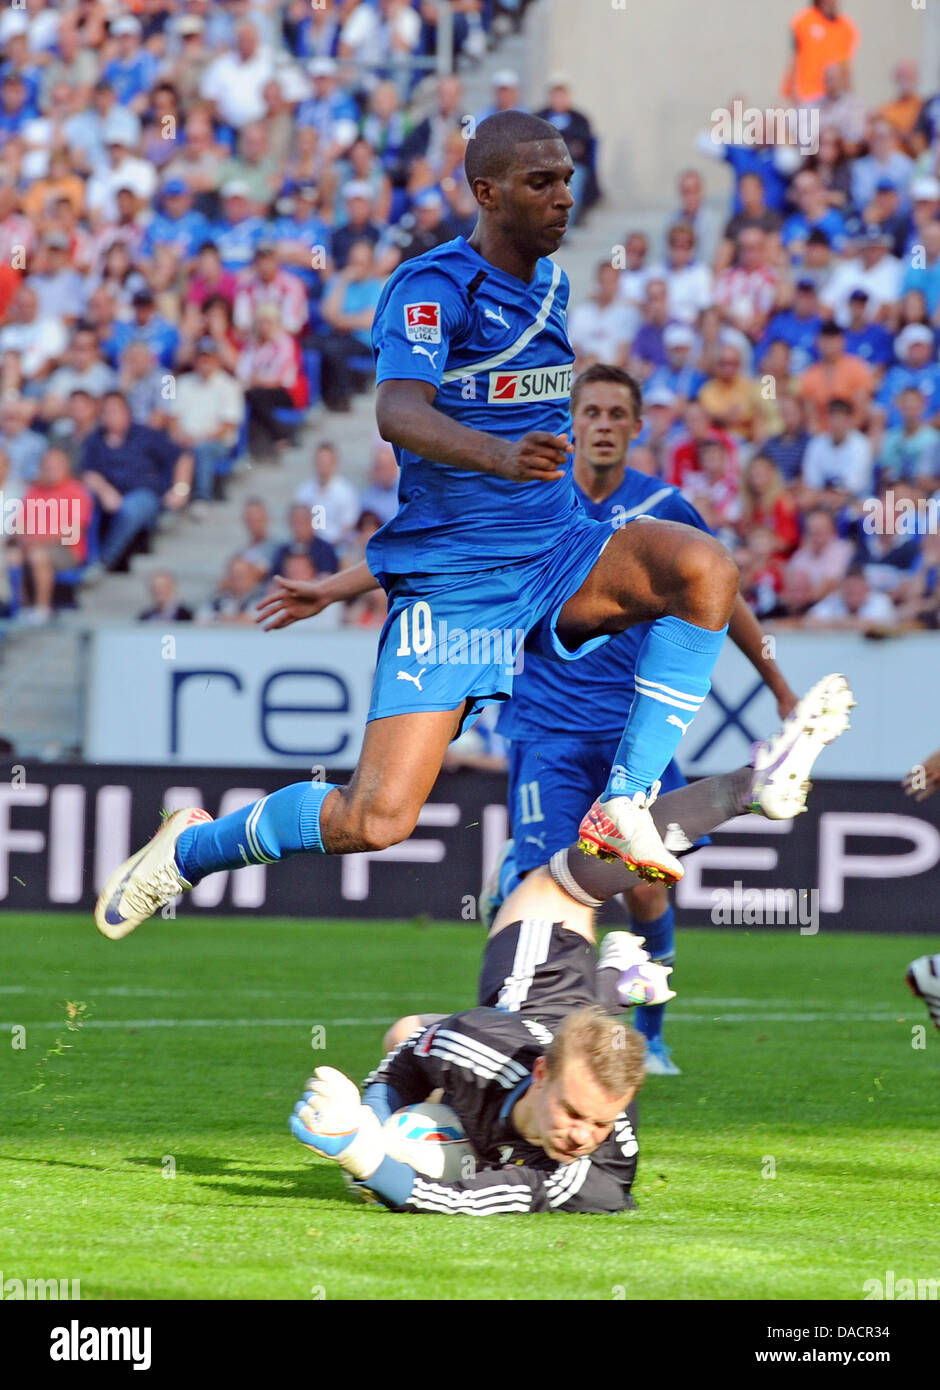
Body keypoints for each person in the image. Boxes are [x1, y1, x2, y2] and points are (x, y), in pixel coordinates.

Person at [96, 111, 739, 943]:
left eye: (567, 179)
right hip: (460, 586)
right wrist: (498, 458)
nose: (564, 197)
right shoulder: (433, 288)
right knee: (374, 820)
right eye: (540, 182)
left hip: (556, 553)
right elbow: (398, 411)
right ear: (487, 191)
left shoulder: (553, 286)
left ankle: (625, 803)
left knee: (706, 570)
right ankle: (193, 850)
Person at [488, 365, 797, 1073]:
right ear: (572, 424)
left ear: (635, 426)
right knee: (555, 891)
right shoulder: (535, 496)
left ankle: (650, 1035)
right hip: (548, 728)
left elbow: (721, 593)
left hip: (635, 730)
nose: (600, 423)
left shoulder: (663, 506)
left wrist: (776, 679)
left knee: (648, 884)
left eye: (614, 413)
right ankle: (546, 1042)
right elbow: (454, 555)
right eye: (589, 411)